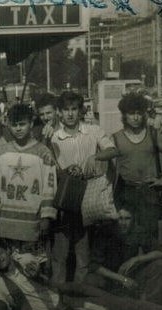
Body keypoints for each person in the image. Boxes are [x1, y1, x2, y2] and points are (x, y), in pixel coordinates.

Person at [0, 240, 162, 310]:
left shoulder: (25, 259)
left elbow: (44, 279)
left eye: (0, 253)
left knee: (112, 301)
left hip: (62, 290)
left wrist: (38, 275)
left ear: (8, 251)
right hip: (61, 308)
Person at [50, 91, 116, 284]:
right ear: (59, 112)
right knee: (60, 254)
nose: (70, 114)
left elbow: (113, 150)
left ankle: (80, 294)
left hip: (87, 196)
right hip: (65, 196)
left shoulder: (93, 131)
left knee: (83, 253)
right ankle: (58, 294)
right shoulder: (54, 137)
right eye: (66, 110)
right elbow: (50, 168)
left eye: (74, 109)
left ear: (80, 111)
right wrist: (65, 171)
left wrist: (95, 156)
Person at [96, 92, 162, 238]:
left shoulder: (153, 134)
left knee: (150, 239)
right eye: (131, 113)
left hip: (149, 192)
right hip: (125, 192)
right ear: (124, 115)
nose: (136, 117)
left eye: (139, 113)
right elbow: (110, 171)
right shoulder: (116, 138)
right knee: (127, 240)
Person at [0, 104, 56, 258]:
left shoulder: (43, 153)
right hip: (7, 221)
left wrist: (46, 217)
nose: (18, 129)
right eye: (14, 125)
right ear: (8, 125)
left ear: (31, 124)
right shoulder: (2, 153)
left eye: (22, 124)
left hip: (32, 221)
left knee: (33, 263)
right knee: (11, 261)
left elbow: (50, 188)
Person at [86, 206, 162, 305]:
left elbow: (161, 252)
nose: (123, 223)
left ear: (133, 219)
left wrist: (136, 259)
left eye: (127, 218)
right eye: (120, 218)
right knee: (90, 280)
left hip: (129, 273)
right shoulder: (104, 232)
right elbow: (94, 265)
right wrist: (122, 279)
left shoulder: (137, 230)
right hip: (109, 276)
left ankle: (149, 306)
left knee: (160, 265)